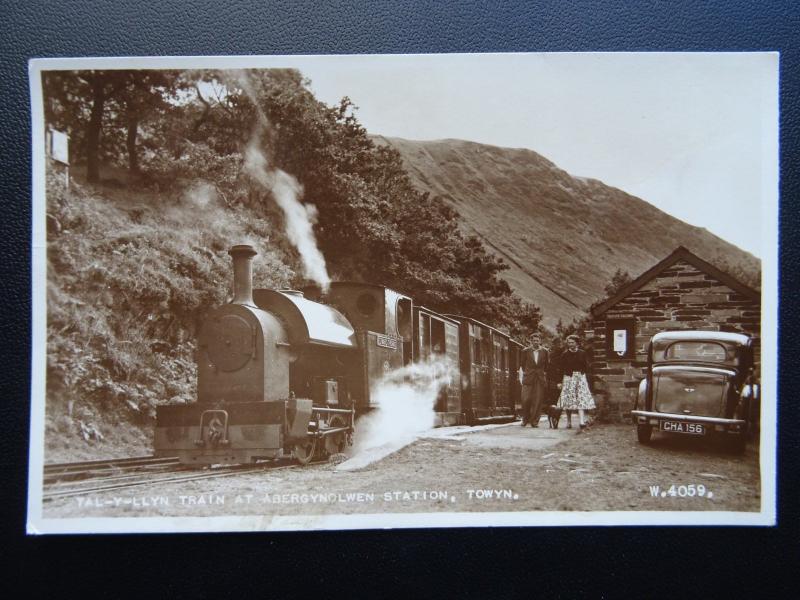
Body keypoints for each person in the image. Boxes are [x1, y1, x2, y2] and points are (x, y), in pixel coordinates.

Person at [556, 334, 596, 432]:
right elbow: (560, 369)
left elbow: (587, 367)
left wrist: (585, 377)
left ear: (577, 343)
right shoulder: (565, 354)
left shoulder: (582, 353)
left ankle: (581, 422)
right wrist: (559, 382)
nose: (570, 344)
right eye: (569, 343)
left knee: (580, 398)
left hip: (580, 378)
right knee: (569, 399)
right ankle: (569, 421)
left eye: (572, 342)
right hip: (569, 378)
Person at [519, 332, 550, 428]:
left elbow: (547, 366)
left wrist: (542, 373)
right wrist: (528, 372)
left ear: (540, 341)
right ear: (531, 341)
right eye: (534, 340)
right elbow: (522, 364)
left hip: (540, 378)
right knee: (525, 399)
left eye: (537, 340)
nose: (536, 342)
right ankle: (525, 419)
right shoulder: (525, 351)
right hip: (528, 377)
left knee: (538, 400)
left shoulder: (545, 351)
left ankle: (535, 421)